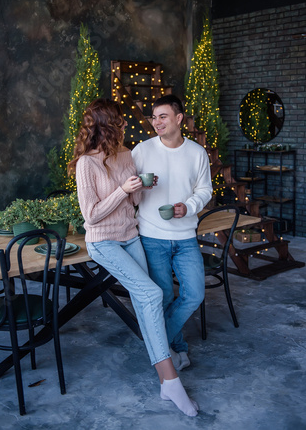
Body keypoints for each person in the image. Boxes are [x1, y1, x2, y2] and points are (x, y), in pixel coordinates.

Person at [68, 98, 199, 417]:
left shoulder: (126, 155)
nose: (126, 125)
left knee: (148, 301)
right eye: (120, 122)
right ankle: (170, 380)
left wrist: (140, 185)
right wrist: (122, 190)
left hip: (130, 235)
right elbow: (93, 216)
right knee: (153, 293)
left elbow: (135, 201)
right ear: (107, 126)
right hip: (104, 242)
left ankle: (165, 374)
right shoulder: (87, 163)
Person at [132, 95, 212, 371]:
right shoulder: (141, 150)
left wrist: (187, 207)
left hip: (186, 236)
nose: (156, 122)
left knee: (195, 293)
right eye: (153, 117)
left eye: (162, 116)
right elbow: (129, 189)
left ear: (179, 119)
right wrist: (139, 187)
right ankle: (176, 348)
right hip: (151, 236)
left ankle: (158, 341)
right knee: (164, 296)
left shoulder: (197, 153)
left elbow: (205, 191)